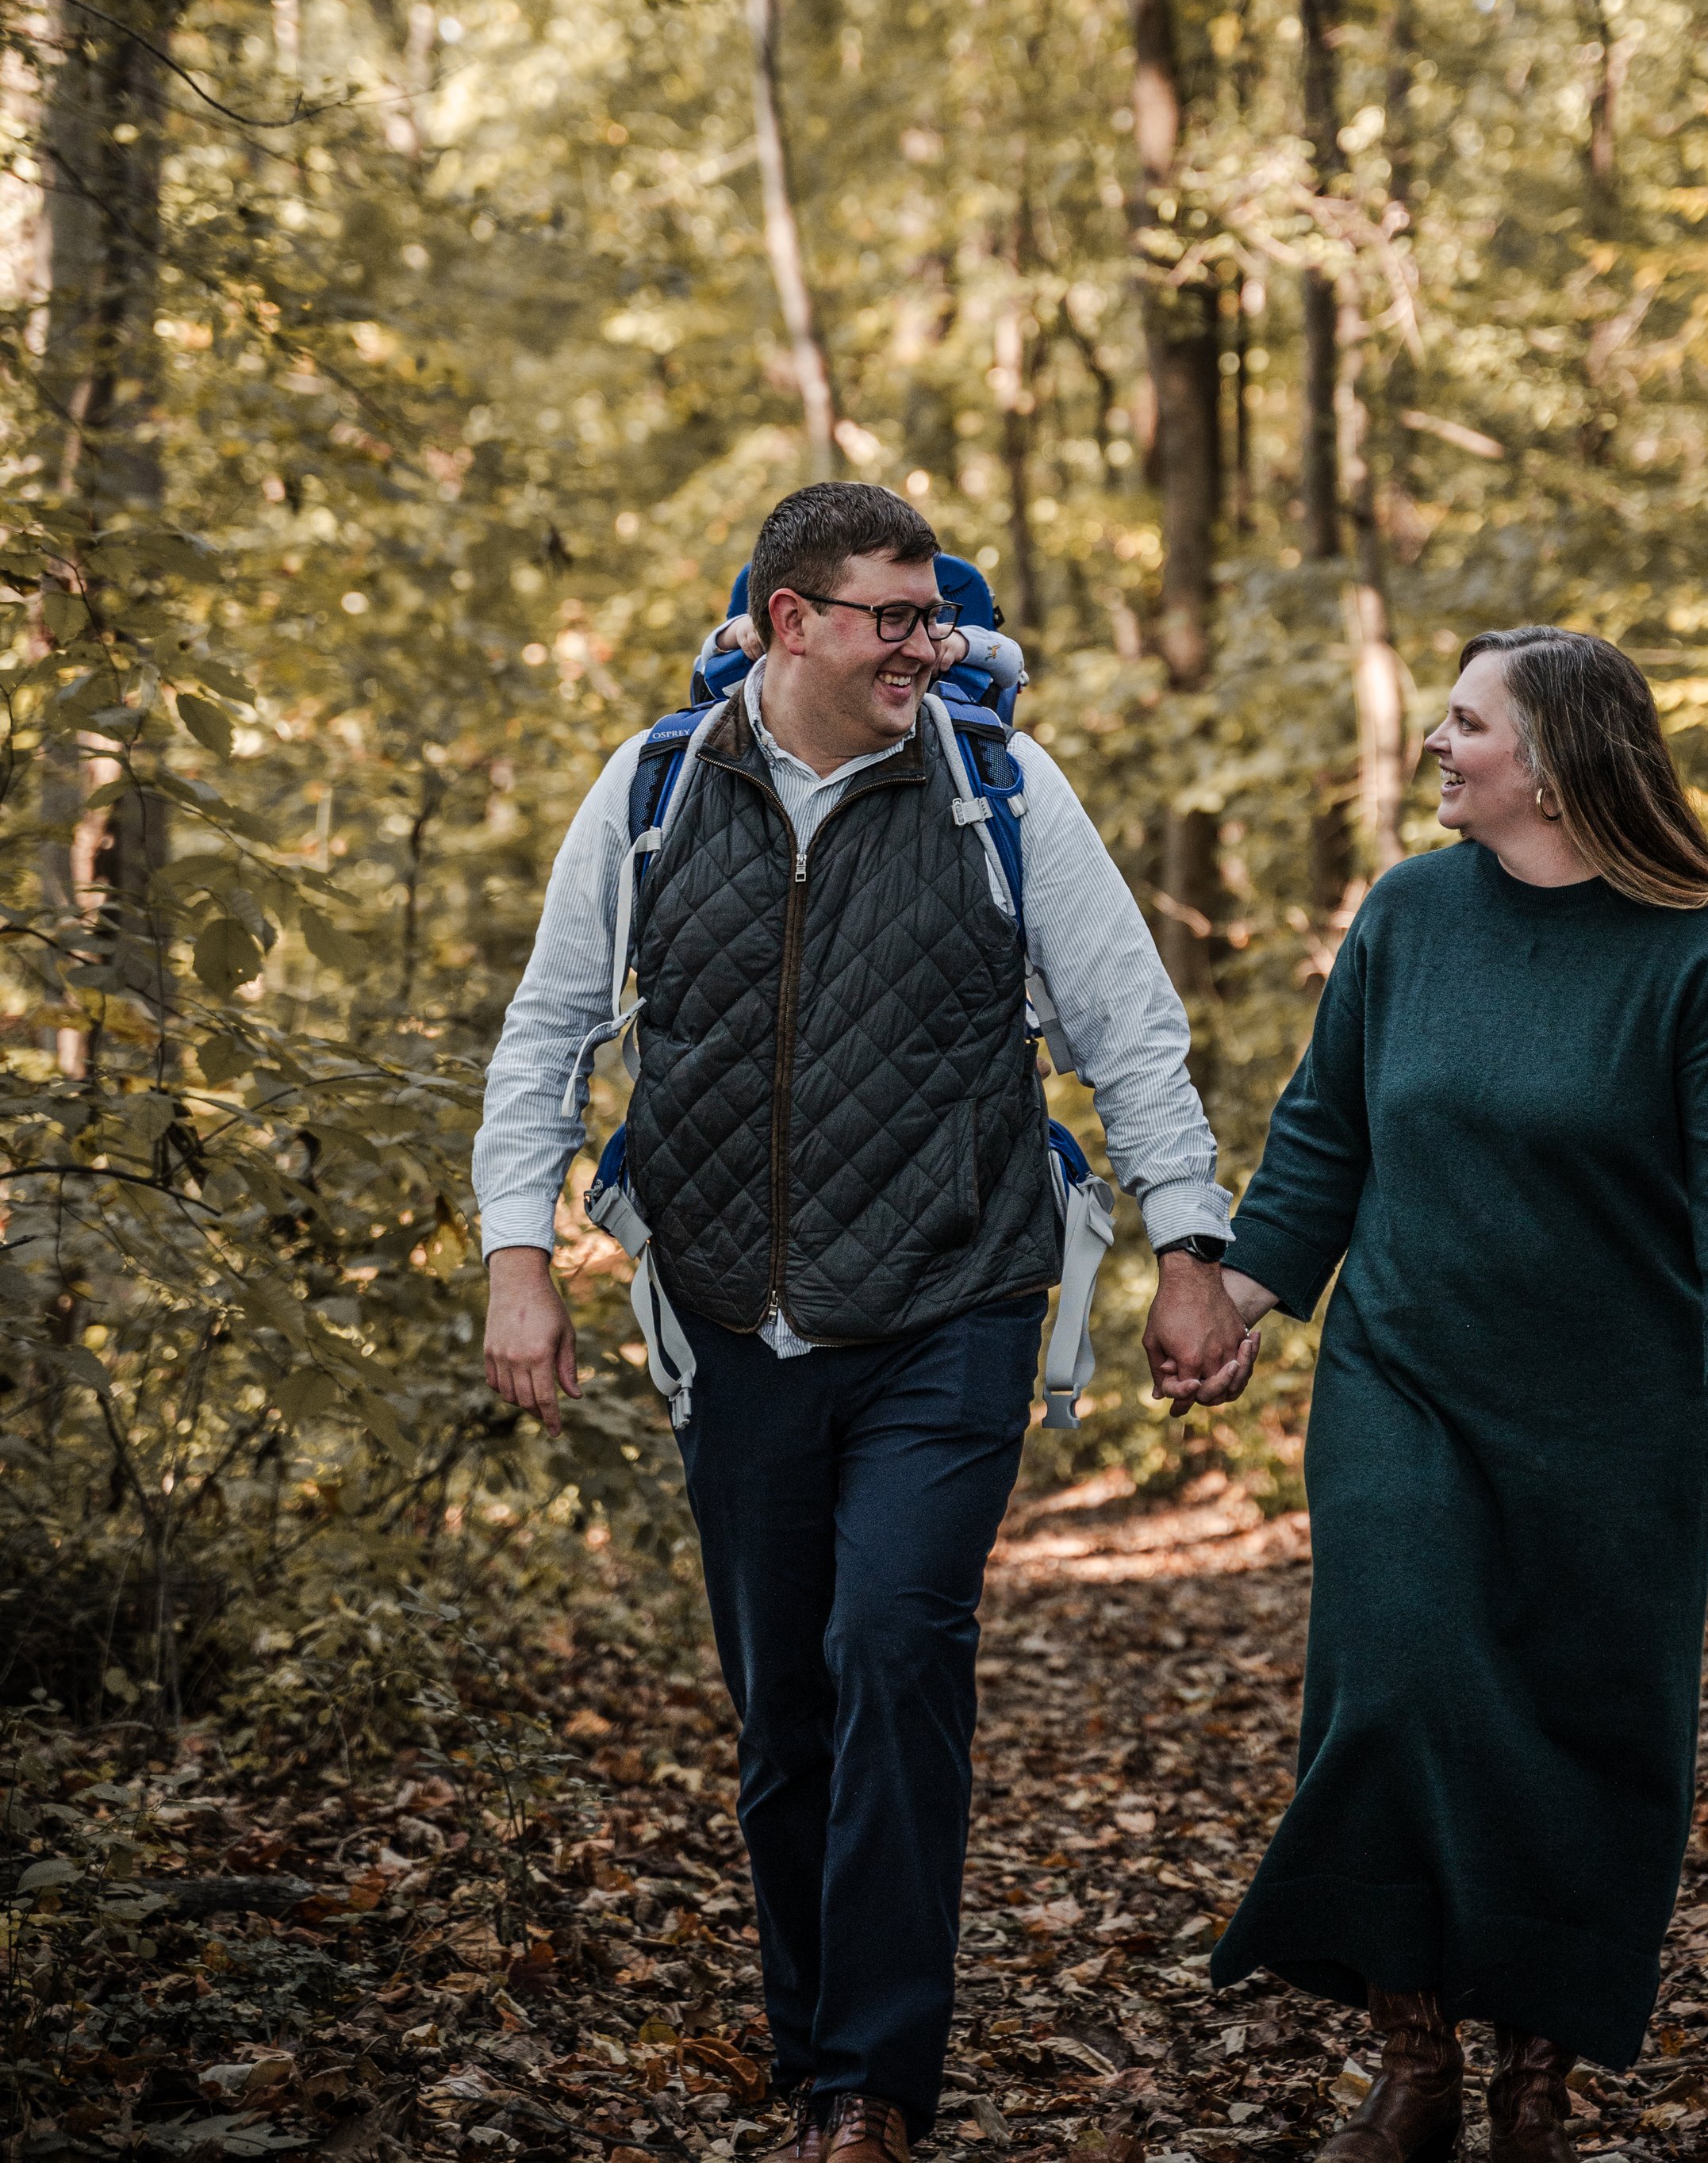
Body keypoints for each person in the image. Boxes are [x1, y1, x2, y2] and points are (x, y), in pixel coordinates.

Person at [474, 483, 1253, 2163]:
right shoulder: (654, 791)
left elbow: (1129, 1026)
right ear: (787, 622)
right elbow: (546, 1030)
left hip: (953, 1291)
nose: (931, 642)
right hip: (730, 1321)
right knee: (784, 1705)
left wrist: (1190, 1240)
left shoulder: (1000, 786)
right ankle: (810, 2021)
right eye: (892, 617)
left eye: (935, 614)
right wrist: (513, 1256)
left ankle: (873, 2081)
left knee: (893, 1646)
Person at [1162, 627, 1708, 2163]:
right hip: (1404, 1379)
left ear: (1554, 757)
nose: (1436, 748)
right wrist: (1236, 1299)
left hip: (1613, 1417)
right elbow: (1323, 1136)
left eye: (1463, 724)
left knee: (1579, 1727)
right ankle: (1412, 2056)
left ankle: (1534, 2070)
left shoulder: (1698, 950)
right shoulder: (1402, 915)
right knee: (1389, 1684)